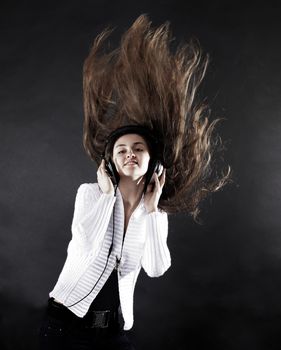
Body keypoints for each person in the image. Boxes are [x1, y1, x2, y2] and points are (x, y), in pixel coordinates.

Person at [39, 14, 231, 350]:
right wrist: (108, 194)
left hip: (114, 331)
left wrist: (154, 210)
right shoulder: (89, 195)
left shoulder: (154, 212)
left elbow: (156, 268)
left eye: (138, 149)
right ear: (111, 159)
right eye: (122, 149)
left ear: (152, 159)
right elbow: (86, 243)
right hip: (64, 326)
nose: (129, 154)